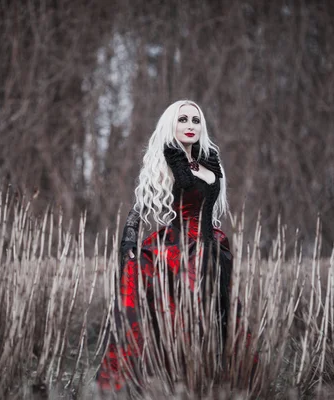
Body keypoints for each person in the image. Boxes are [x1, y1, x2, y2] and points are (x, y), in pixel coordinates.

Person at [97, 100, 248, 392]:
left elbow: (211, 204)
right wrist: (130, 239)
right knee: (179, 314)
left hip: (212, 249)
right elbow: (139, 208)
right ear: (171, 124)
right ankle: (169, 380)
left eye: (195, 120)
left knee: (221, 311)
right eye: (183, 120)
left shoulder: (209, 160)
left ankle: (214, 380)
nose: (190, 125)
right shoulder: (167, 160)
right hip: (179, 251)